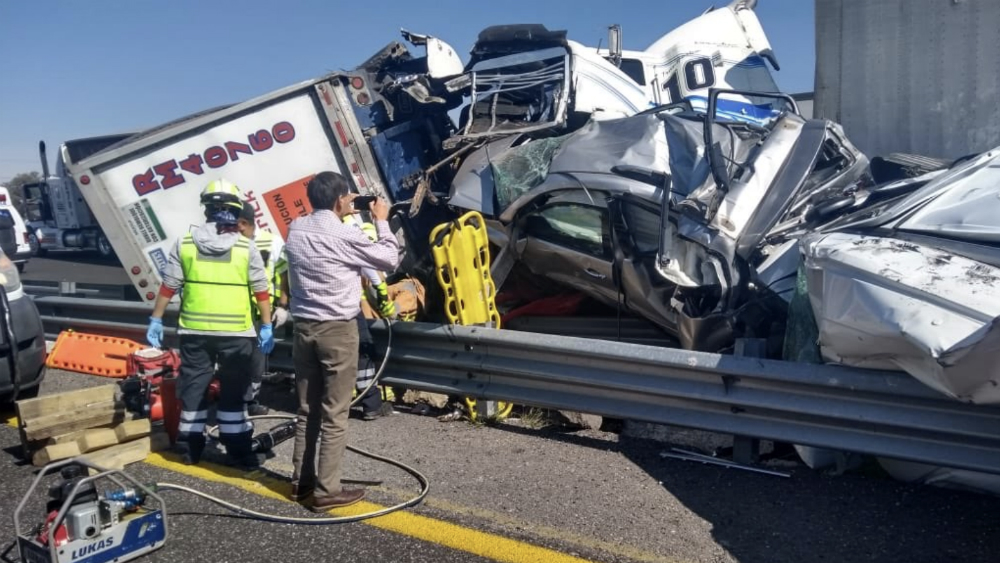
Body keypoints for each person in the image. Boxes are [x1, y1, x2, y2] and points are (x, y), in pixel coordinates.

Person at [282, 171, 400, 511]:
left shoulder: (296, 229)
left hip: (303, 329)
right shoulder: (345, 234)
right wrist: (381, 222)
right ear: (338, 200)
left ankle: (299, 483)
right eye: (348, 197)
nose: (351, 201)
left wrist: (348, 212)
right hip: (337, 330)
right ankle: (326, 491)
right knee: (335, 413)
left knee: (307, 410)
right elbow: (388, 260)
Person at [146, 179, 275, 469]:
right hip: (236, 334)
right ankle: (239, 451)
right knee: (233, 390)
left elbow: (169, 285)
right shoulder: (246, 248)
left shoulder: (185, 243)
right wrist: (266, 325)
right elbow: (261, 290)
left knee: (193, 387)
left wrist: (156, 318)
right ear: (235, 209)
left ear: (206, 209)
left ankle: (190, 448)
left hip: (194, 332)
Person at [342, 212, 397, 421]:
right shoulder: (350, 232)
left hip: (317, 312)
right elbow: (374, 271)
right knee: (363, 351)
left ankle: (337, 405)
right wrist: (384, 299)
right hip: (348, 307)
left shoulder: (304, 233)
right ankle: (371, 404)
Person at [236, 204, 289, 417]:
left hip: (261, 313)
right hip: (236, 310)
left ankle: (251, 401)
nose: (238, 229)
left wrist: (283, 305)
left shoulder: (272, 241)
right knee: (237, 359)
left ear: (249, 222)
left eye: (242, 224)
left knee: (257, 361)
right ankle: (238, 399)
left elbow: (284, 274)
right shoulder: (231, 242)